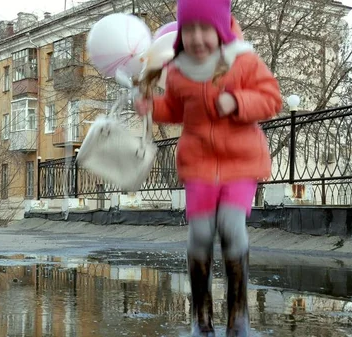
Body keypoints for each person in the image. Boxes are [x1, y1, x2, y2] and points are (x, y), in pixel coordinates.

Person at [134, 0, 282, 335]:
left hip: (240, 163)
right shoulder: (179, 69)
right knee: (200, 233)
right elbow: (175, 108)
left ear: (221, 30)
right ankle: (201, 318)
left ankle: (238, 316)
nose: (197, 38)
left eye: (206, 29)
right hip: (199, 164)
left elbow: (272, 98)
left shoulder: (243, 61)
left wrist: (238, 101)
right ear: (180, 34)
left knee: (231, 227)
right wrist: (150, 107)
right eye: (189, 29)